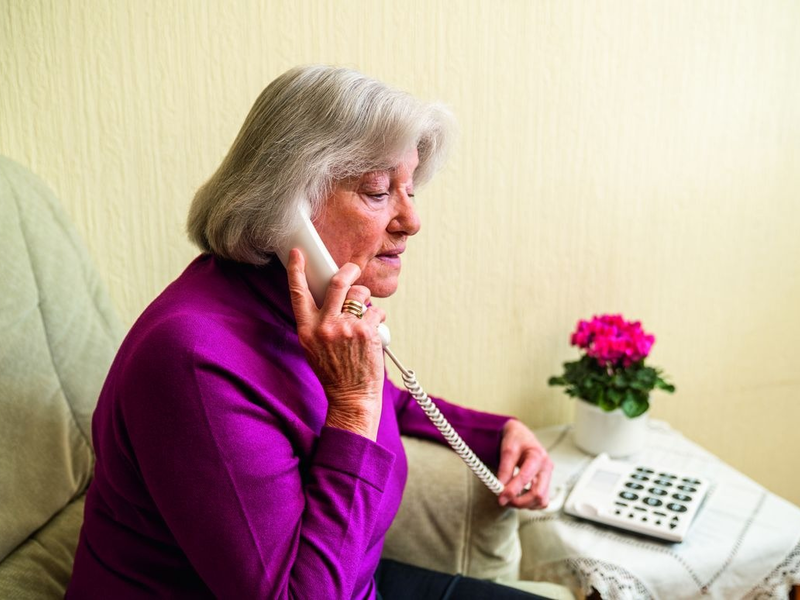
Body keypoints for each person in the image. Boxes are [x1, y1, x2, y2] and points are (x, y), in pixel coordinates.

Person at [67, 65, 554, 599]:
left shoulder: (304, 311)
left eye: (410, 189)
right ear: (286, 205)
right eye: (377, 190)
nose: (411, 220)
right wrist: (352, 406)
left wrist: (497, 432)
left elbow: (390, 401)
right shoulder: (191, 361)